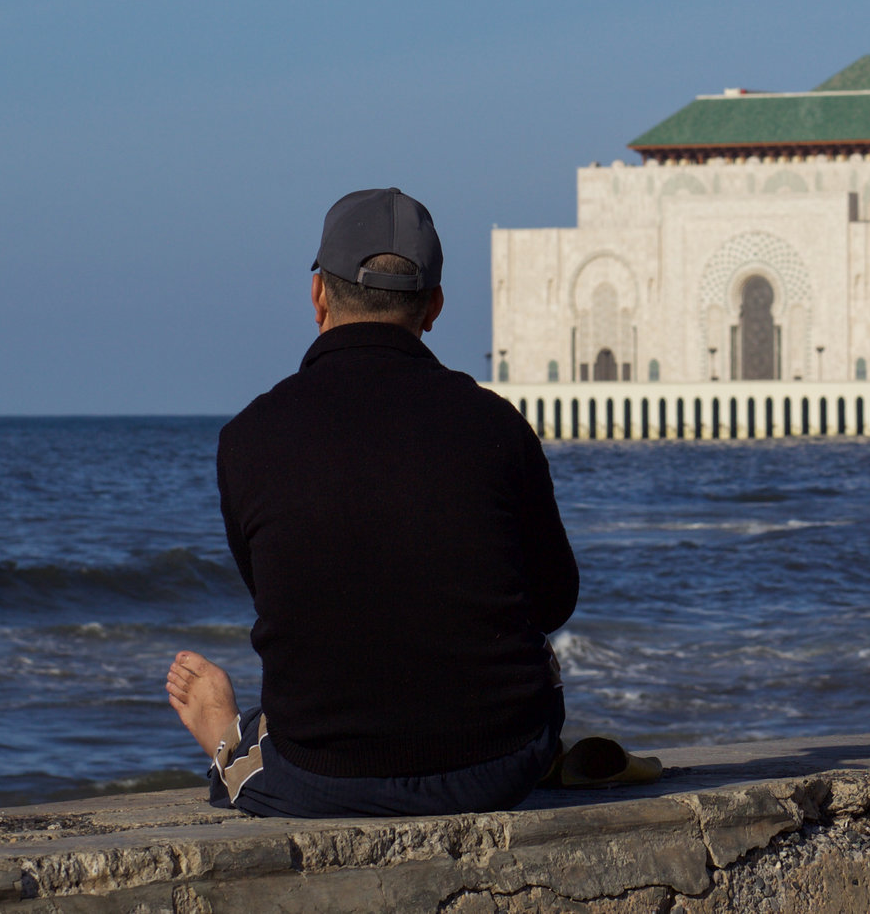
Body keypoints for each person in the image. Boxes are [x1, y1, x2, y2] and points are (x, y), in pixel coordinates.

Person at [164, 187, 578, 818]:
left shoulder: (246, 439)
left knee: (271, 739)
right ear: (434, 307)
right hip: (496, 766)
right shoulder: (497, 426)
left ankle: (229, 742)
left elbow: (285, 598)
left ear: (318, 296)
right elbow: (553, 600)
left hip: (319, 776)